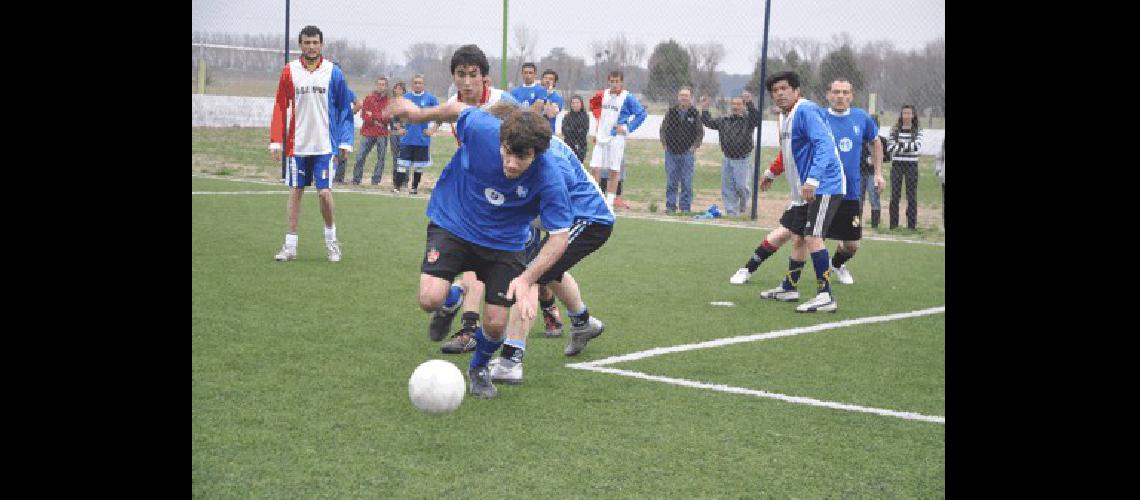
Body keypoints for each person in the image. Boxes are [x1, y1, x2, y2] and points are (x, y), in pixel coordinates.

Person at [387, 97, 576, 399]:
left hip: (504, 242)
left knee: (496, 324)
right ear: (500, 140)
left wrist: (527, 280)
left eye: (522, 157)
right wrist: (419, 115)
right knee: (428, 299)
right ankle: (452, 297)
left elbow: (559, 237)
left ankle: (478, 367)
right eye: (507, 152)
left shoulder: (551, 177)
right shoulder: (482, 128)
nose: (512, 163)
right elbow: (457, 110)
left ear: (539, 154)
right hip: (455, 221)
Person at [487, 130, 615, 384]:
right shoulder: (527, 143)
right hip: (563, 220)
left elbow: (557, 204)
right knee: (548, 270)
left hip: (588, 220)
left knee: (530, 276)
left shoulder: (552, 162)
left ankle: (511, 361)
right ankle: (583, 323)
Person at [725, 71, 845, 313]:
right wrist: (771, 172)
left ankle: (826, 295)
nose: (779, 94)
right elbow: (789, 151)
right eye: (774, 91)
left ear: (795, 90)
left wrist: (813, 179)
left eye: (783, 88)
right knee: (797, 236)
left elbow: (825, 145)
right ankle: (789, 287)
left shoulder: (806, 111)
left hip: (825, 185)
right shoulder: (785, 116)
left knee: (812, 237)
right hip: (803, 192)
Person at [268, 25, 354, 263]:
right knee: (296, 191)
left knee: (324, 193)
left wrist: (346, 140)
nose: (311, 46)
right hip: (297, 146)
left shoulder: (333, 72)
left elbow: (345, 110)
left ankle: (331, 242)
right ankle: (290, 246)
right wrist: (276, 140)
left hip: (325, 147)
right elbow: (279, 106)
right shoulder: (289, 71)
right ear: (300, 45)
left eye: (315, 42)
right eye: (306, 42)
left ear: (321, 44)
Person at [819, 79, 883, 285]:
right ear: (828, 94)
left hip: (850, 190)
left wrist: (879, 173)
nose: (840, 96)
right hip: (822, 189)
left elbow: (876, 142)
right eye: (836, 92)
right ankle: (814, 277)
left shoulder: (861, 118)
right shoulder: (819, 118)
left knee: (852, 245)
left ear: (851, 96)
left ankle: (836, 264)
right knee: (812, 237)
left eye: (845, 92)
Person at [589, 71, 647, 209]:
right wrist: (597, 129)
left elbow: (641, 114)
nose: (614, 84)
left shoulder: (628, 97)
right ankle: (596, 199)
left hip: (616, 138)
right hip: (601, 137)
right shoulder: (602, 95)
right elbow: (596, 111)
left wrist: (627, 128)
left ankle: (609, 201)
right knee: (595, 168)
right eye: (612, 81)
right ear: (608, 81)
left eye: (617, 81)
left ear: (621, 82)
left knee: (614, 170)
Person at [700, 91, 759, 217]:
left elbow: (756, 118)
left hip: (742, 159)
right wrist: (705, 108)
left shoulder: (747, 121)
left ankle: (744, 206)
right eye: (733, 104)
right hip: (727, 158)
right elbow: (708, 122)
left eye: (738, 104)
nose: (735, 107)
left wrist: (749, 103)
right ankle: (732, 212)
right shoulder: (724, 120)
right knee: (728, 188)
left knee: (742, 186)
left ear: (742, 106)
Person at [659, 87, 704, 214]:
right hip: (671, 152)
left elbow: (700, 133)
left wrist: (694, 147)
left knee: (686, 181)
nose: (684, 98)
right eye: (682, 95)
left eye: (686, 96)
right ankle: (670, 206)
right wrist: (664, 144)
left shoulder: (694, 113)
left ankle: (685, 207)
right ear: (678, 97)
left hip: (687, 153)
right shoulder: (671, 112)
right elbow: (663, 129)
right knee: (671, 181)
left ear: (690, 98)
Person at [396, 74, 440, 195]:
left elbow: (440, 116)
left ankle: (414, 188)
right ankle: (397, 187)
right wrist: (399, 128)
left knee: (418, 166)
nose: (417, 85)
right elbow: (395, 115)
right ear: (412, 84)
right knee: (402, 164)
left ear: (423, 84)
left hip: (422, 139)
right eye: (415, 82)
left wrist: (432, 130)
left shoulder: (430, 99)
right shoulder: (405, 98)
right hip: (407, 139)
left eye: (420, 83)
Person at [887, 104, 923, 230]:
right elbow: (890, 147)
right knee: (895, 195)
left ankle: (911, 226)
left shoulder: (917, 130)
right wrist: (908, 146)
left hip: (912, 165)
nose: (906, 115)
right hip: (897, 165)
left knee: (911, 196)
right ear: (901, 115)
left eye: (909, 113)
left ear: (913, 115)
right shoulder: (894, 130)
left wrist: (900, 146)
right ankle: (893, 225)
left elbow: (917, 146)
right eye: (904, 113)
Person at [353, 77, 392, 185]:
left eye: (383, 84)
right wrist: (377, 119)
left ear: (386, 86)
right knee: (360, 156)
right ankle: (356, 179)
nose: (381, 86)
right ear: (376, 85)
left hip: (382, 133)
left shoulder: (389, 101)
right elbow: (364, 115)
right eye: (379, 84)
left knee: (381, 158)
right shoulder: (369, 98)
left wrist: (374, 116)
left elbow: (387, 119)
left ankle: (375, 181)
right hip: (368, 132)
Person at [859, 114, 888, 228]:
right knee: (858, 200)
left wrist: (876, 159)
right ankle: (856, 224)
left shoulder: (880, 141)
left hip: (873, 173)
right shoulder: (860, 140)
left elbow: (887, 156)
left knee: (874, 198)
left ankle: (875, 225)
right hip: (860, 173)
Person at [332, 86, 361, 184]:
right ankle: (332, 176)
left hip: (345, 127)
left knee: (343, 152)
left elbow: (358, 103)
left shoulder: (347, 91)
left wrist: (351, 113)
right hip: (333, 126)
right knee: (333, 153)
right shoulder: (328, 90)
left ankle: (339, 178)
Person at [388, 81, 407, 191]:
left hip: (405, 133)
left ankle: (404, 181)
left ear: (404, 91)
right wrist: (397, 127)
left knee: (405, 157)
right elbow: (391, 117)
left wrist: (404, 128)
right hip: (395, 133)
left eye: (401, 89)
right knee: (396, 158)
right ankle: (396, 181)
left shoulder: (407, 102)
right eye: (397, 88)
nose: (398, 90)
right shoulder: (392, 102)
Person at [561, 95, 590, 163]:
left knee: (578, 164)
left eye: (577, 102)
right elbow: (564, 130)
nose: (575, 105)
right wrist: (574, 129)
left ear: (581, 104)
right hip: (568, 145)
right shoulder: (567, 116)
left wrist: (571, 129)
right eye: (573, 103)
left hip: (580, 146)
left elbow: (583, 131)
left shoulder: (585, 116)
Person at [540, 69, 565, 133]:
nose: (547, 80)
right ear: (542, 80)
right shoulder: (536, 93)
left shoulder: (558, 98)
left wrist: (547, 95)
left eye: (551, 79)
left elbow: (551, 114)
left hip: (549, 131)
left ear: (554, 82)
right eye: (545, 78)